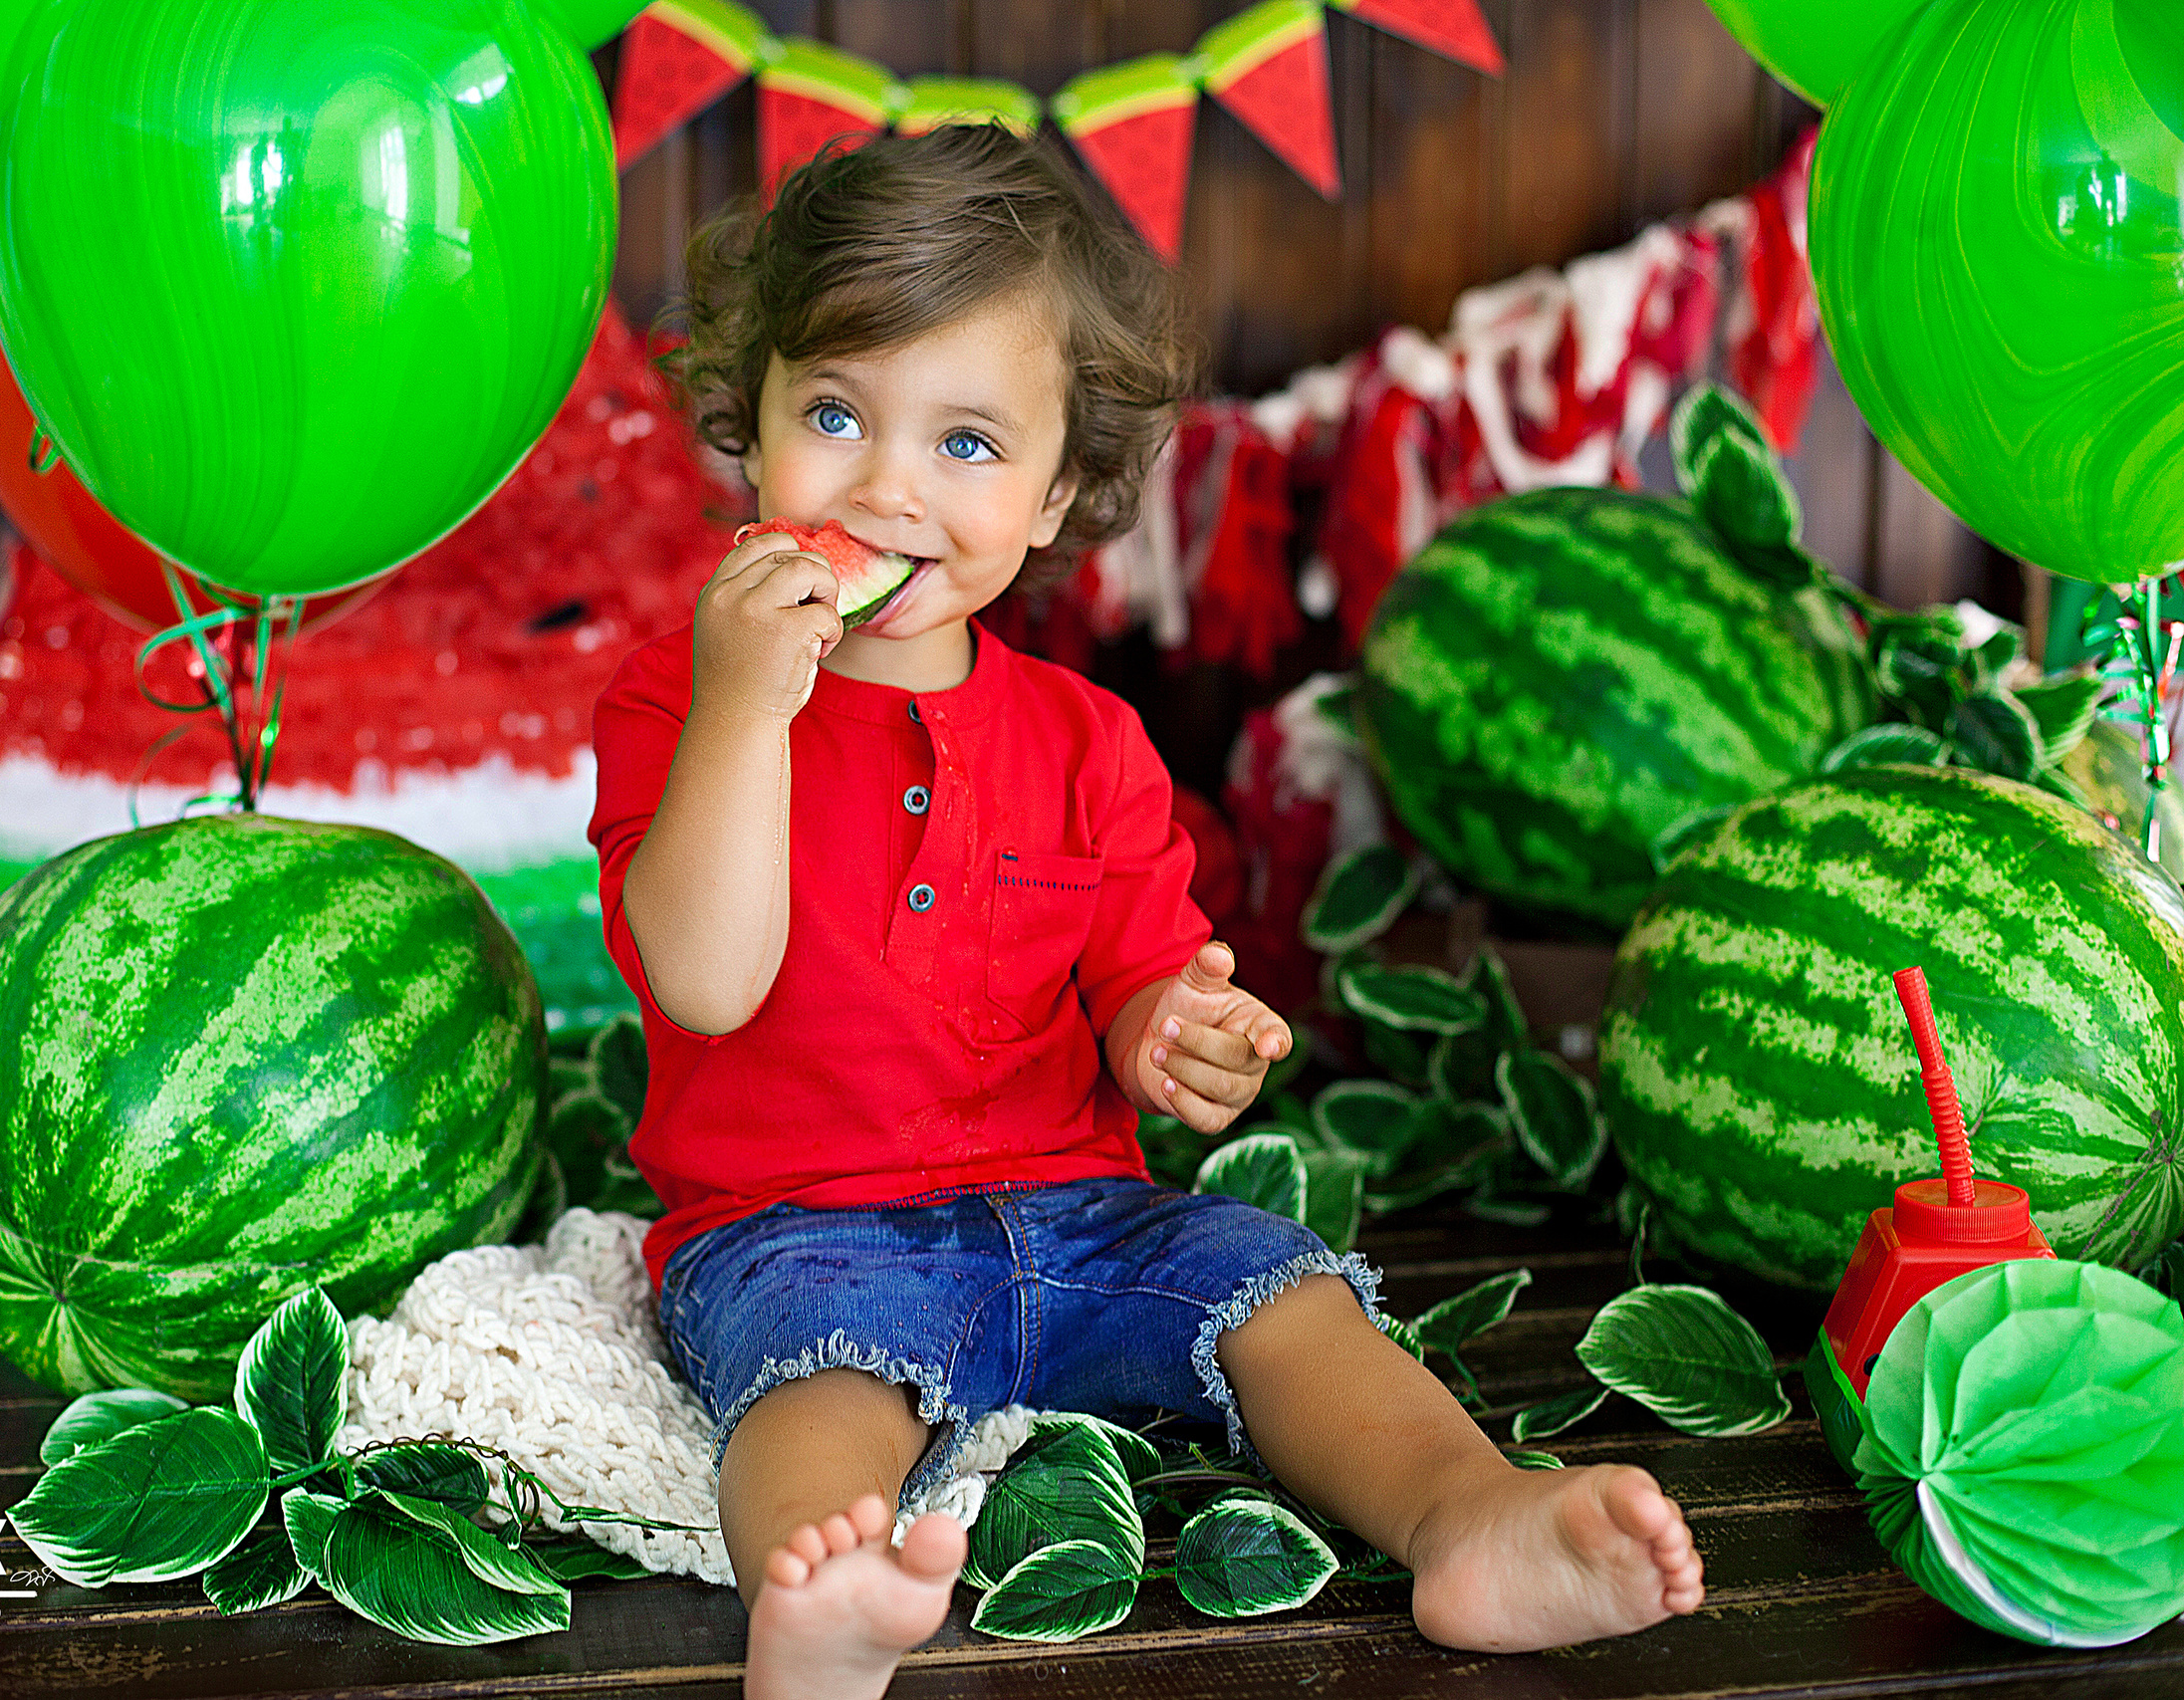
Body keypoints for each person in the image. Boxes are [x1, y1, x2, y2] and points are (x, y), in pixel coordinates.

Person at [588, 124, 1705, 1700]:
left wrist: (1176, 1031)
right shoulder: (678, 700)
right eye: (834, 415)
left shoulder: (1089, 741)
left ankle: (1466, 1519)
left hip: (1077, 1216)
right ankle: (815, 1601)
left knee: (1278, 1285)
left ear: (1056, 495)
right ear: (751, 429)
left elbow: (1135, 979)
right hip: (799, 1227)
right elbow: (706, 982)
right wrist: (743, 711)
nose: (888, 487)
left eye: (966, 443)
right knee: (814, 1380)